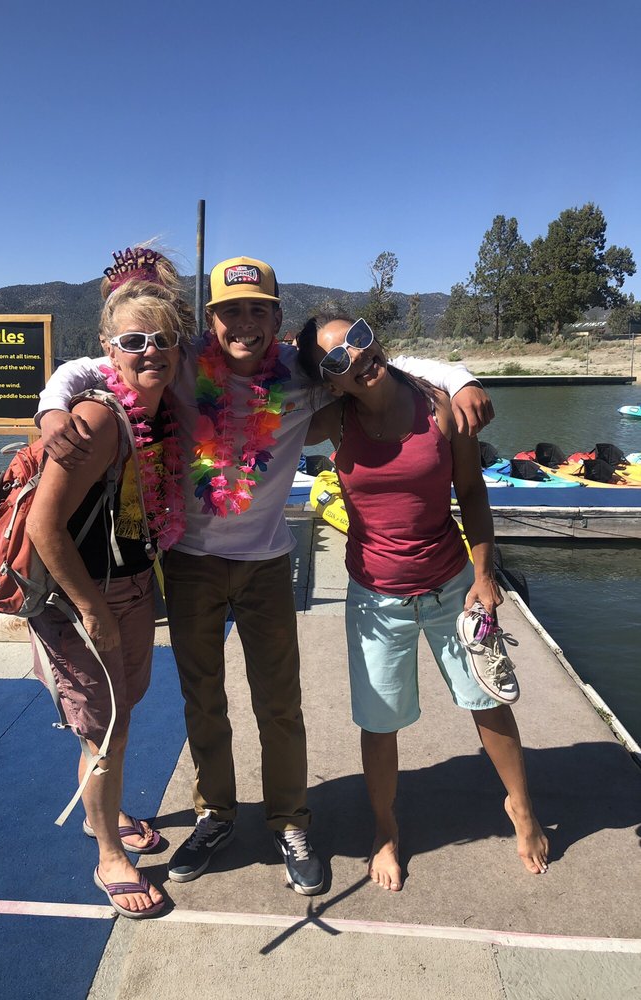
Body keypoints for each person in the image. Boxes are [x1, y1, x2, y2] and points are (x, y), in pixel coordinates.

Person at [37, 252, 494, 897]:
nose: (243, 323)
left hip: (267, 563)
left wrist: (463, 376)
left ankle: (290, 820)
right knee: (204, 700)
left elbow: (387, 365)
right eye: (229, 312)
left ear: (277, 317)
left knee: (280, 703)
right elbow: (92, 365)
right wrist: (54, 404)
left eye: (258, 309)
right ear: (210, 320)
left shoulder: (304, 377)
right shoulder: (183, 361)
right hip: (191, 564)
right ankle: (215, 814)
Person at [297, 309, 549, 891]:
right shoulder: (334, 420)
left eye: (359, 339)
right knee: (379, 723)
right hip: (375, 600)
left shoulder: (439, 407)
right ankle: (385, 831)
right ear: (327, 381)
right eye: (337, 360)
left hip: (453, 586)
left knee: (488, 700)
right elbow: (259, 423)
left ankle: (522, 807)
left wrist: (486, 577)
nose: (357, 358)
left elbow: (472, 493)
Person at [26, 262, 193, 918]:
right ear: (108, 349)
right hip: (82, 602)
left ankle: (108, 814)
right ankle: (109, 858)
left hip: (128, 586)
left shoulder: (162, 414)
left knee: (114, 725)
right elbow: (44, 525)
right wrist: (92, 607)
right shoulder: (96, 419)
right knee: (107, 733)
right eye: (133, 342)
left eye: (161, 339)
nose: (149, 351)